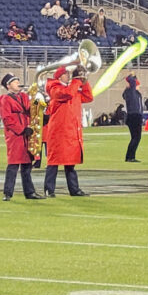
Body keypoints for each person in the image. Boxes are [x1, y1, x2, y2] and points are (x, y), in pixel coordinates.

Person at [43, 65, 93, 197]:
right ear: (59, 76)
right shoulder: (55, 89)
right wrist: (77, 81)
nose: (69, 76)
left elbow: (88, 97)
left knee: (70, 163)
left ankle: (74, 189)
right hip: (59, 132)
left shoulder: (71, 88)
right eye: (66, 74)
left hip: (70, 131)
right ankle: (49, 189)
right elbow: (67, 94)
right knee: (53, 162)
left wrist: (84, 81)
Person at [0, 73, 45, 201]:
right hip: (15, 136)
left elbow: (30, 109)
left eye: (17, 80)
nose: (18, 82)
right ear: (8, 85)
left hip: (26, 134)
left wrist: (36, 101)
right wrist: (22, 129)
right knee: (13, 165)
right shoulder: (5, 99)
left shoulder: (23, 96)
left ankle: (30, 192)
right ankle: (8, 193)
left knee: (27, 165)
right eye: (15, 81)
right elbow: (7, 119)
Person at [122, 74, 143, 162]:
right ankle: (130, 157)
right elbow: (130, 80)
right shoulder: (131, 92)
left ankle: (130, 156)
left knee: (135, 137)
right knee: (136, 137)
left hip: (135, 116)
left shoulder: (133, 93)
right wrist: (132, 76)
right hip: (134, 116)